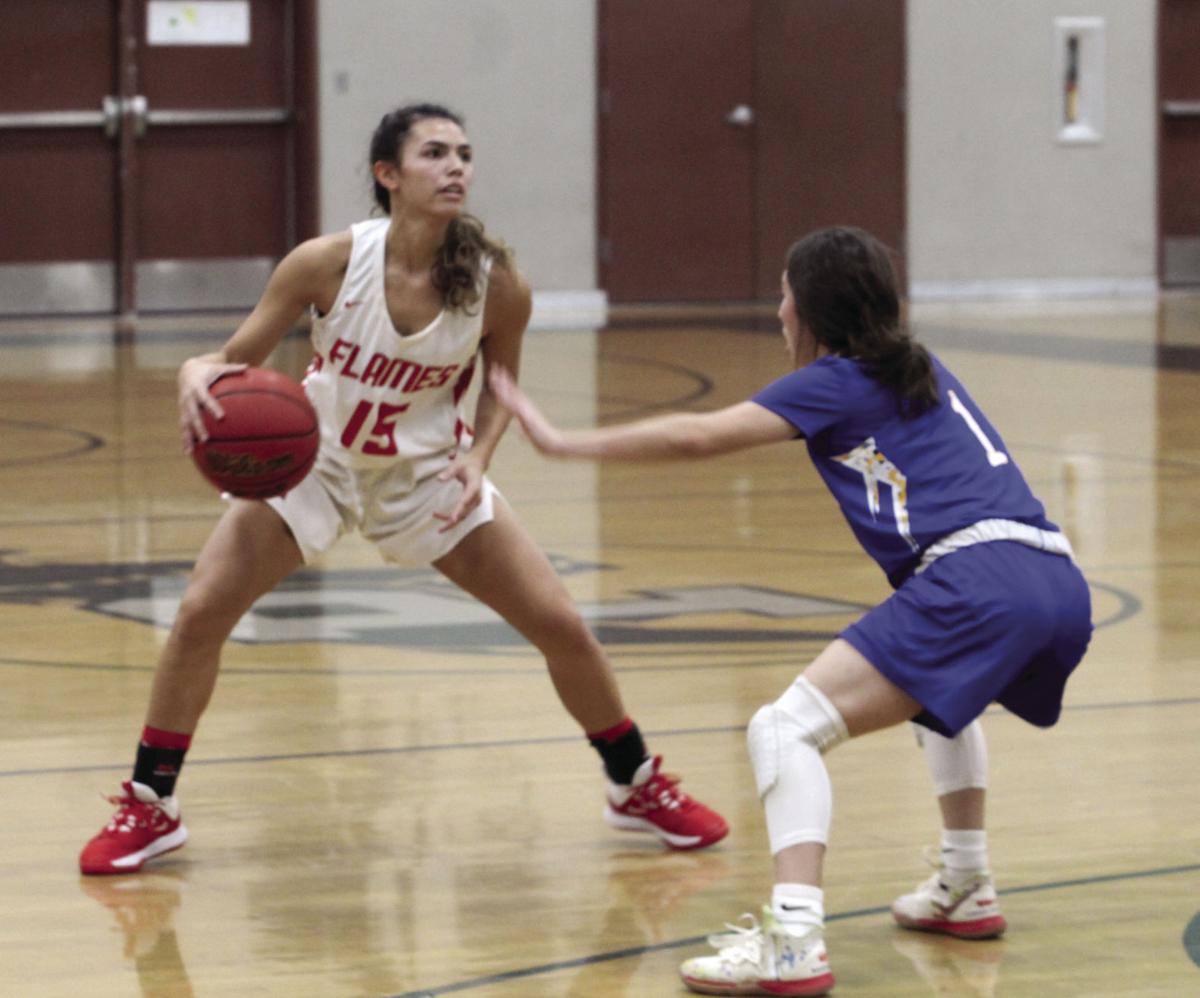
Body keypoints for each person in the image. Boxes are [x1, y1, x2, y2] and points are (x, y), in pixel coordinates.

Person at [79, 102, 727, 876]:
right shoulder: (324, 263)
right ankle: (152, 807)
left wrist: (480, 457)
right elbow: (234, 358)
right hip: (313, 463)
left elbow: (501, 384)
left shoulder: (497, 283)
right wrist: (194, 370)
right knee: (198, 614)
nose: (456, 166)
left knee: (560, 622)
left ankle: (635, 785)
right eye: (434, 153)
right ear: (389, 176)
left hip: (425, 472)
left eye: (464, 152)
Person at [489, 225, 1092, 996]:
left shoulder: (835, 378)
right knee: (941, 700)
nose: (778, 312)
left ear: (810, 310)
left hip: (977, 579)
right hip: (1053, 572)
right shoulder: (921, 367)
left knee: (782, 730)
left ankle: (795, 938)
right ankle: (966, 884)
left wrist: (563, 442)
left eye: (784, 294)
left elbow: (697, 437)